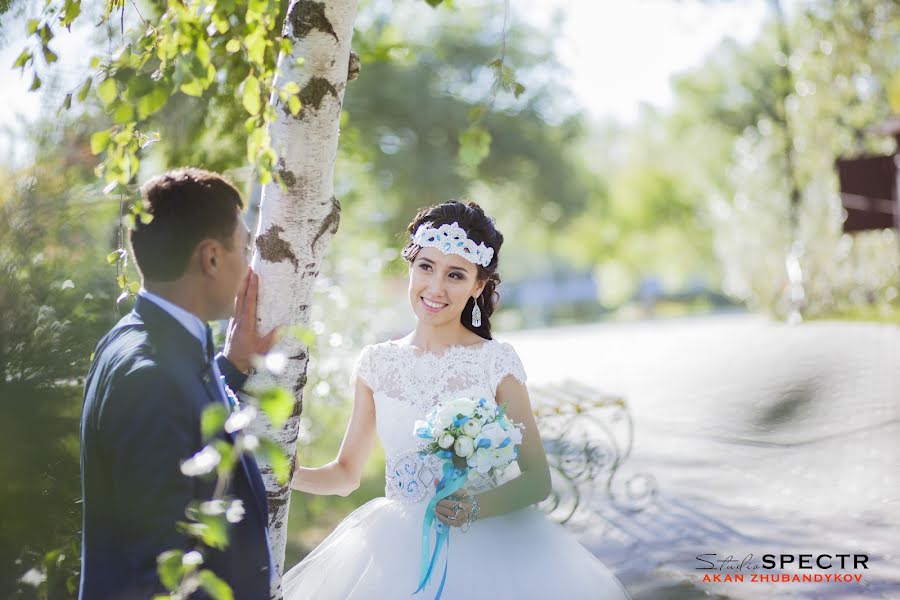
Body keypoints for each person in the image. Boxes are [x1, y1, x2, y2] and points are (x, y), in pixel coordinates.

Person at [283, 201, 631, 599]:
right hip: (395, 551)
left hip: (492, 550)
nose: (435, 287)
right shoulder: (376, 364)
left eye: (455, 275)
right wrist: (286, 474)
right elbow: (346, 474)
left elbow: (537, 480)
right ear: (410, 267)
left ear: (478, 286)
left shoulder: (495, 363)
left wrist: (475, 507)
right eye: (426, 267)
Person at [79, 168, 278, 599]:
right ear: (210, 257)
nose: (248, 267)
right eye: (243, 250)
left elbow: (182, 431)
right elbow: (162, 571)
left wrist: (233, 367)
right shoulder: (149, 378)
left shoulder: (145, 341)